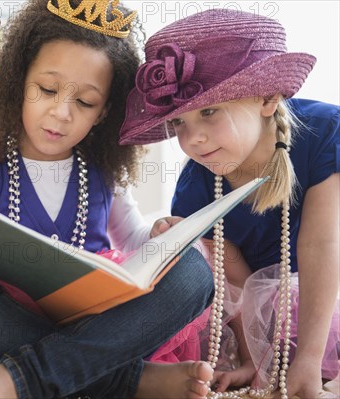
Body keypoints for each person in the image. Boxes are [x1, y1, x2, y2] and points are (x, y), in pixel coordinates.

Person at [0, 0, 216, 398]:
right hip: (11, 323)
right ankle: (130, 381)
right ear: (20, 84)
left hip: (100, 323)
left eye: (85, 102)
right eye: (47, 89)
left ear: (103, 112)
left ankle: (15, 382)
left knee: (192, 272)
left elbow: (136, 246)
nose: (61, 112)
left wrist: (162, 239)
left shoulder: (102, 173)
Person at [120, 8, 339, 399]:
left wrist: (307, 358)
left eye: (209, 112)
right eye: (179, 123)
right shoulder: (196, 184)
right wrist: (253, 358)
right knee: (189, 270)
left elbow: (322, 245)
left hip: (325, 295)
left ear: (268, 98)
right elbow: (232, 284)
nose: (194, 140)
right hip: (255, 314)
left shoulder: (325, 131)